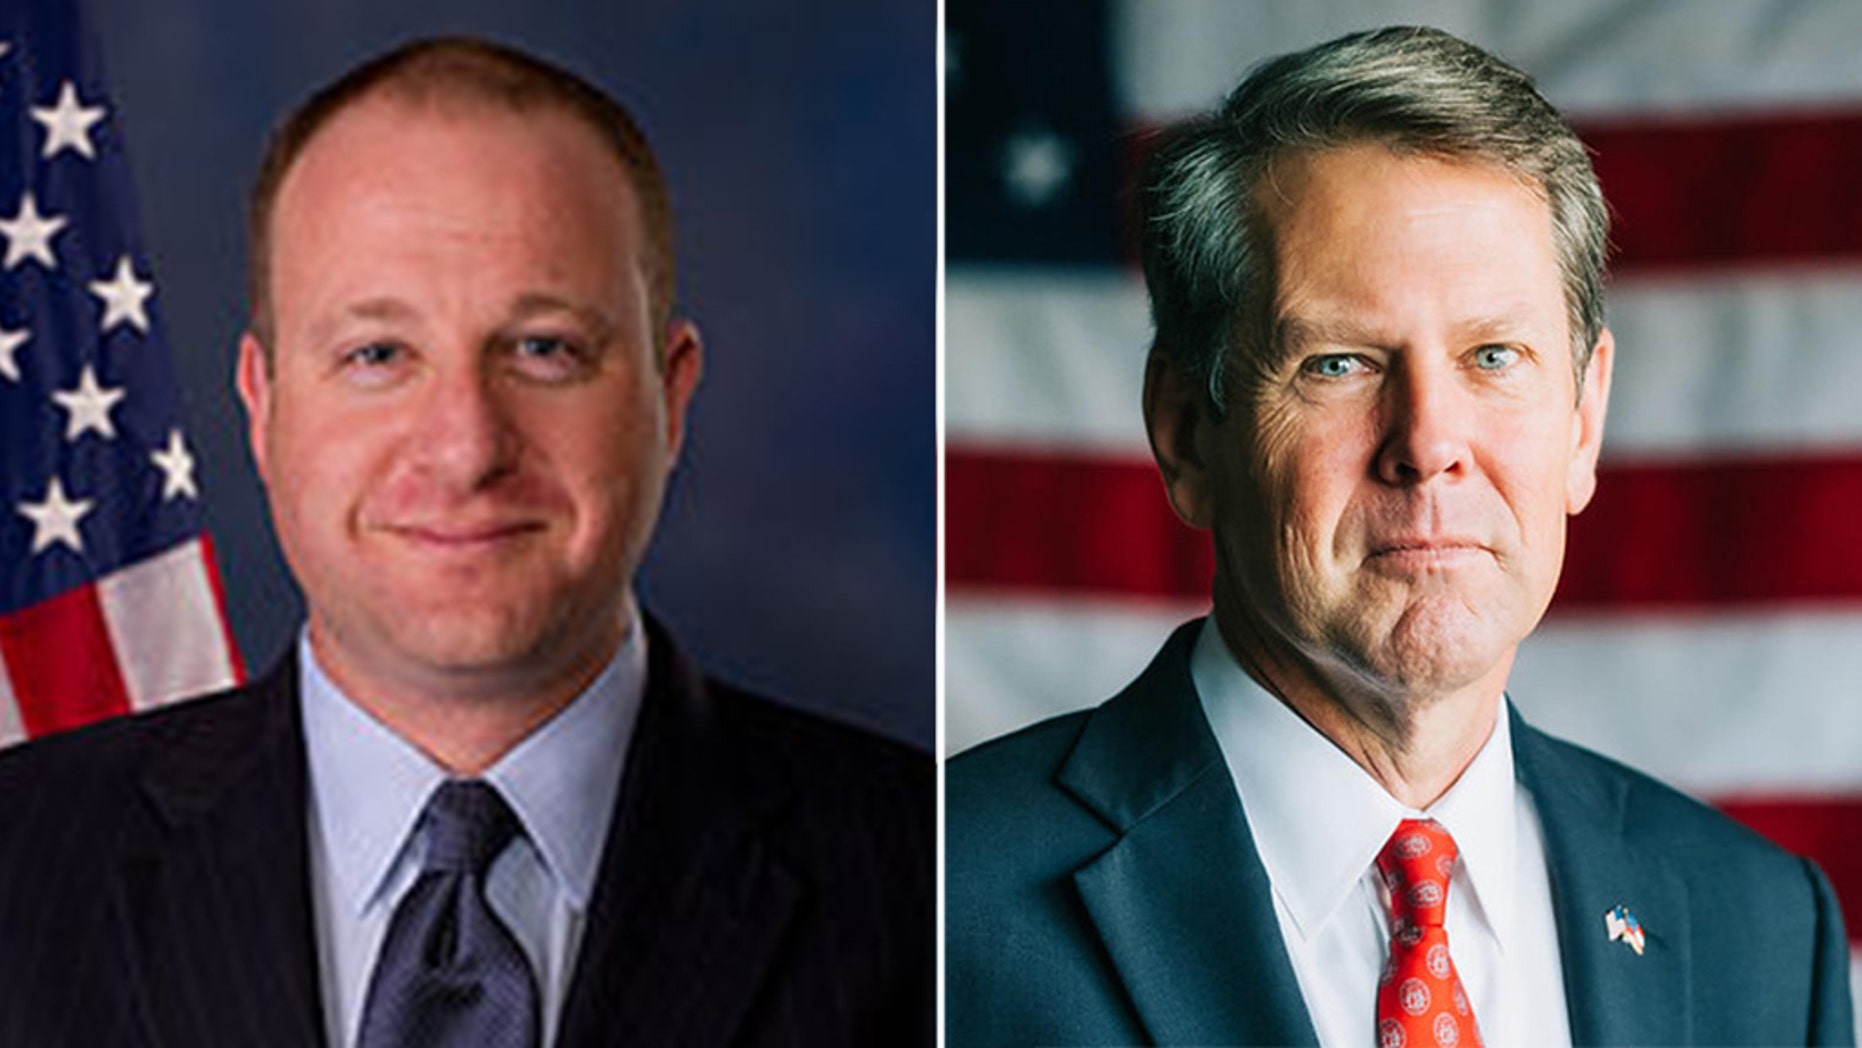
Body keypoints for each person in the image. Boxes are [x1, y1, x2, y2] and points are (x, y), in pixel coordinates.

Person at [0, 36, 930, 1047]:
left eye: (542, 348)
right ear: (261, 406)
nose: (464, 446)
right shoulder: (21, 864)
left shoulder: (928, 873)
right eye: (378, 354)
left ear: (670, 395)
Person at [946, 25, 1851, 1047]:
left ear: (1582, 421)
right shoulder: (943, 892)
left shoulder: (1762, 930)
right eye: (1337, 363)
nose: (1427, 444)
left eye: (1492, 356)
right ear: (1186, 433)